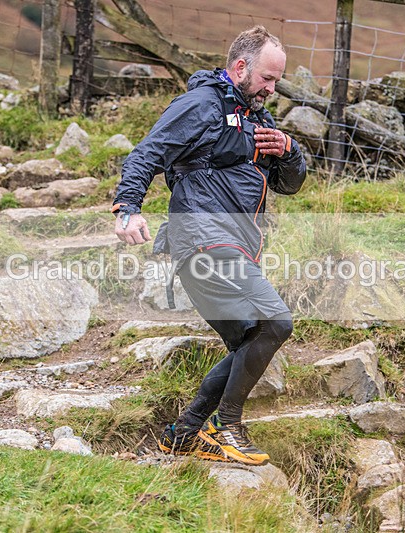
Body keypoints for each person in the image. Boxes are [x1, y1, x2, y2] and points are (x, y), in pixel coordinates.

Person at [112, 26, 307, 466]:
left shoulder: (259, 119)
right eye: (267, 79)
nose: (272, 90)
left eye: (277, 81)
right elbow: (147, 152)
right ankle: (227, 426)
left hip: (234, 246)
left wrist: (290, 151)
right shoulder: (202, 104)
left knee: (252, 338)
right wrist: (128, 206)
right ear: (240, 67)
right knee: (276, 321)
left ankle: (183, 434)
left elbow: (289, 185)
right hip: (204, 238)